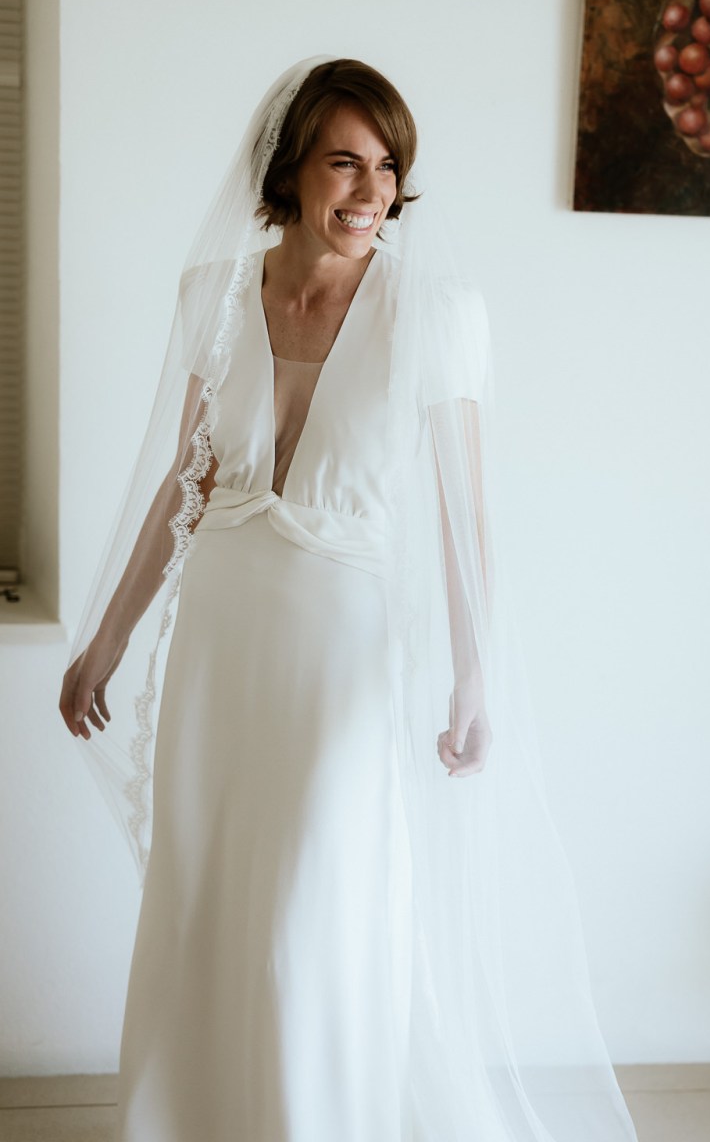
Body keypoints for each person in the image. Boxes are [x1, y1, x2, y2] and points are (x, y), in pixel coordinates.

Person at [60, 57, 639, 1141]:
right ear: (290, 170)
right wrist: (107, 640)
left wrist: (473, 676)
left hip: (339, 662)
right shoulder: (212, 296)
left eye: (387, 168)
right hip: (220, 650)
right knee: (205, 897)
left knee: (311, 901)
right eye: (344, 163)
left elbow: (462, 518)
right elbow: (179, 492)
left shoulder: (435, 310)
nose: (372, 192)